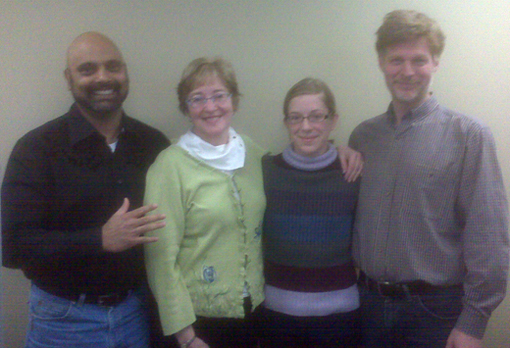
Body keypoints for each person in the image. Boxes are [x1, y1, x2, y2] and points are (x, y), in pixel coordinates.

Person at [348, 10, 509, 348]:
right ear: (381, 62)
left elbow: (489, 234)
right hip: (368, 306)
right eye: (397, 60)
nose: (407, 72)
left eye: (419, 60)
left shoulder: (469, 136)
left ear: (435, 62)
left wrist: (474, 321)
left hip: (435, 313)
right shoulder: (363, 137)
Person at [1, 32, 170, 348]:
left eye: (113, 66)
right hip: (63, 322)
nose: (103, 77)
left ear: (125, 73)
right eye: (87, 69)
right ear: (69, 78)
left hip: (138, 315)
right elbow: (13, 246)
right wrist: (100, 239)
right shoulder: (36, 149)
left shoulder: (154, 144)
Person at [144, 57, 266, 348]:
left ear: (234, 101)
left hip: (253, 312)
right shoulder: (169, 165)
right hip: (198, 324)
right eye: (197, 98)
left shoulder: (252, 152)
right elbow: (160, 257)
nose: (210, 107)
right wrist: (186, 337)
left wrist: (339, 152)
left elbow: (294, 168)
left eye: (219, 95)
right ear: (186, 108)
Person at [256, 78, 361, 347]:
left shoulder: (352, 173)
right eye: (295, 118)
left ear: (333, 120)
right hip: (277, 317)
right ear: (286, 123)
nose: (306, 127)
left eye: (316, 117)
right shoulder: (265, 171)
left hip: (340, 318)